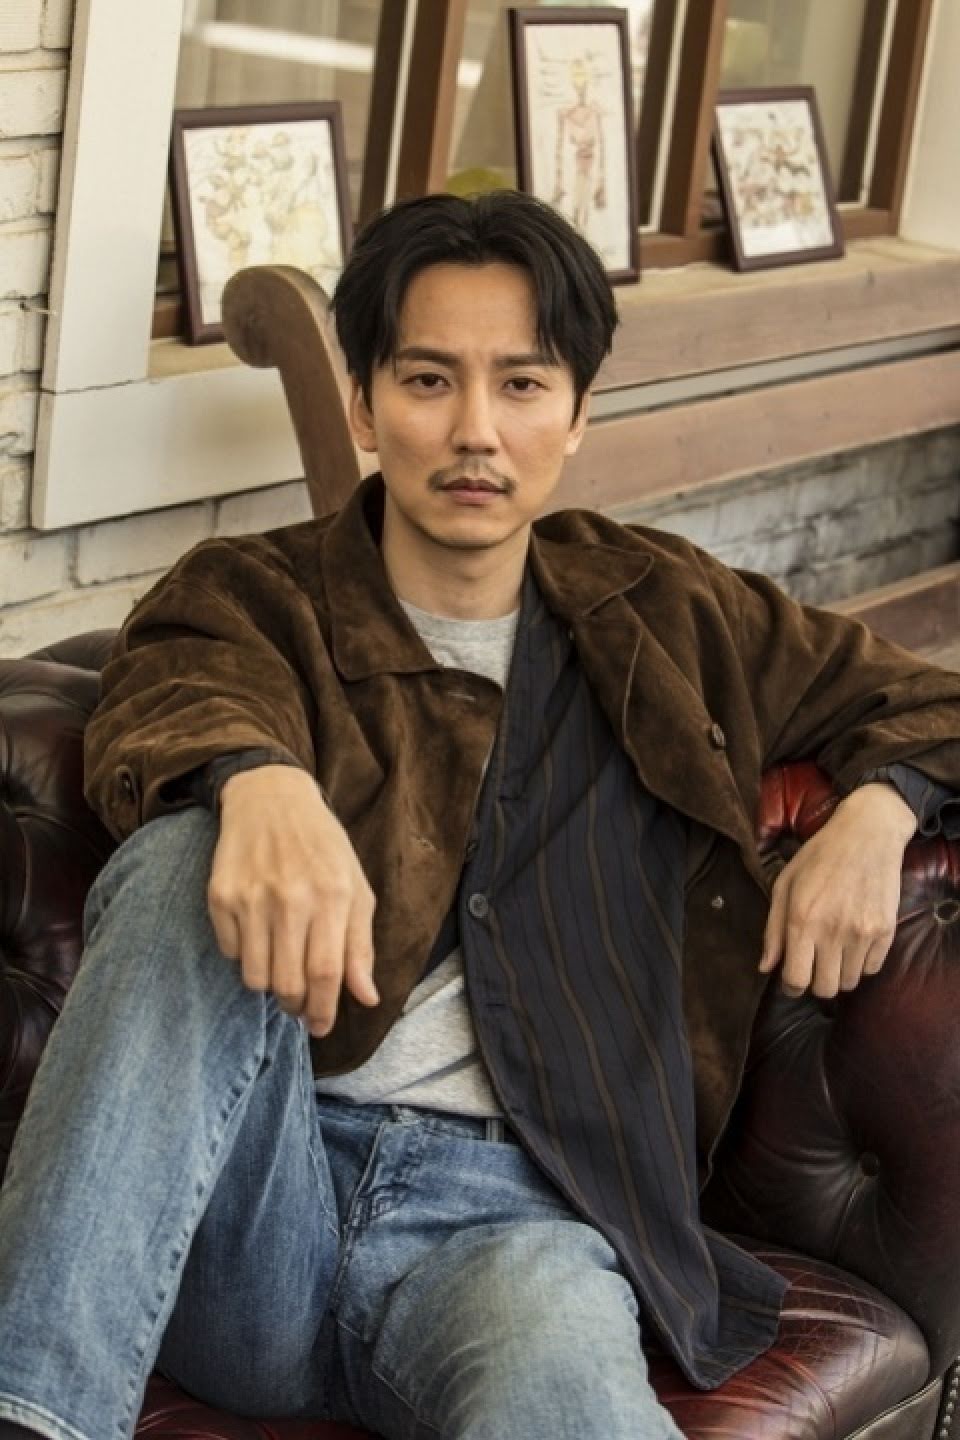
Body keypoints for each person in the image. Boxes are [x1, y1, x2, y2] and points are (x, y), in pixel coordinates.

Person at [2, 190, 960, 1440]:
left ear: (577, 412)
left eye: (521, 384)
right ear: (364, 405)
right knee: (188, 855)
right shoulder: (254, 595)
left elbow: (927, 699)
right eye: (426, 379)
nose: (474, 431)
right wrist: (260, 784)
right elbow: (174, 690)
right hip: (253, 1194)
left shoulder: (674, 614)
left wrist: (880, 811)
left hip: (519, 1230)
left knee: (564, 1391)